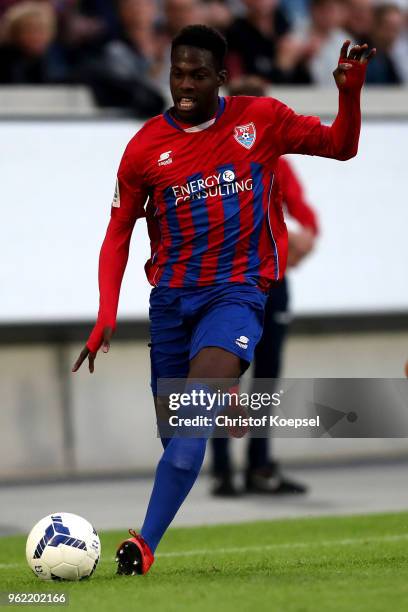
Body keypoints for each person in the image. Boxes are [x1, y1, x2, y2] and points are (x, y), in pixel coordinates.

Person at [72, 24, 375, 575]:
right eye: (176, 73)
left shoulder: (260, 119)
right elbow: (116, 235)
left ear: (220, 77)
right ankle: (223, 401)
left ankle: (142, 546)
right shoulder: (143, 148)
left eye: (196, 75)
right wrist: (105, 315)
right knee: (176, 438)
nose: (184, 86)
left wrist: (349, 93)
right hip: (171, 305)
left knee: (187, 424)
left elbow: (341, 146)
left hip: (236, 295)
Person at [211, 77, 319, 497]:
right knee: (224, 374)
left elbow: (306, 214)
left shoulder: (277, 158)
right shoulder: (215, 159)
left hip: (270, 283)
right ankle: (223, 469)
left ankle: (256, 466)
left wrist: (299, 237)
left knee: (266, 377)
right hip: (228, 284)